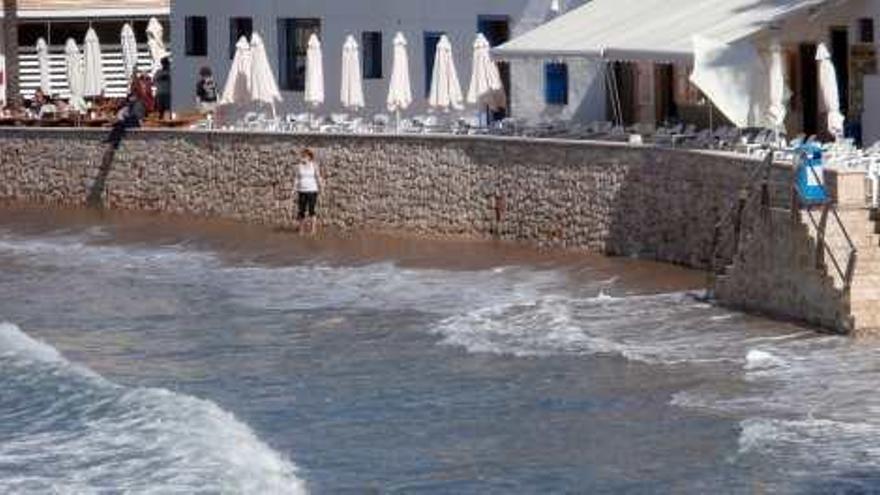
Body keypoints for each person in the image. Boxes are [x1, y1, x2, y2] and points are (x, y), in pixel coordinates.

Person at [294, 148, 323, 235]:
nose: (303, 157)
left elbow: (318, 176)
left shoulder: (314, 165)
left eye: (305, 156)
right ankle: (301, 229)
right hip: (302, 191)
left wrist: (321, 186)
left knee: (311, 210)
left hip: (312, 190)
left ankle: (313, 229)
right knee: (301, 210)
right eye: (303, 156)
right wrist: (294, 188)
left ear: (309, 157)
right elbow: (296, 178)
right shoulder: (299, 166)